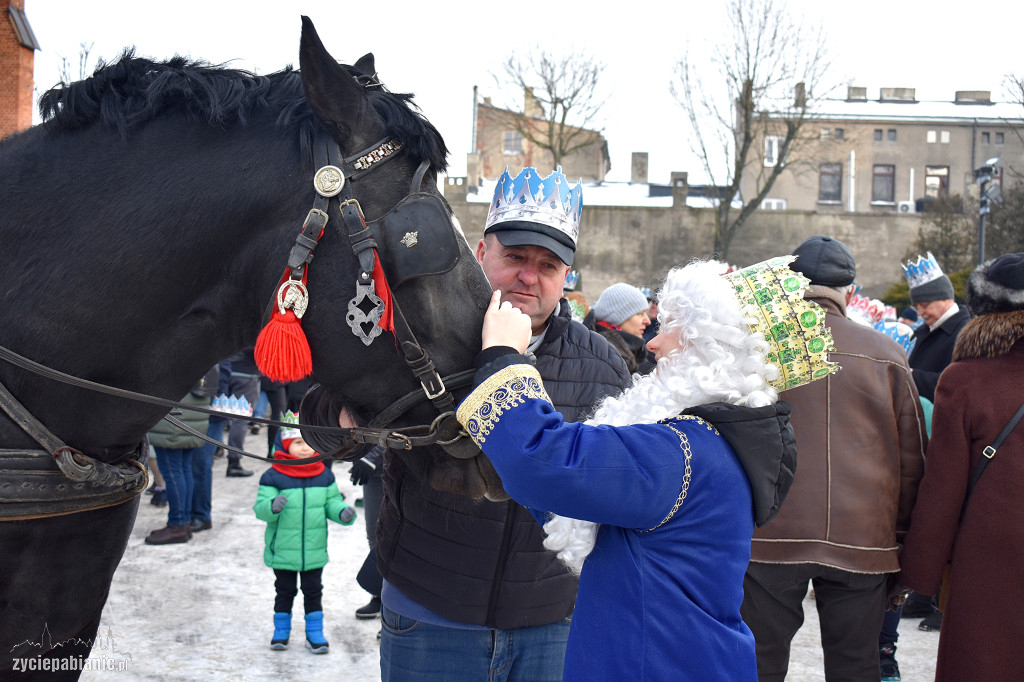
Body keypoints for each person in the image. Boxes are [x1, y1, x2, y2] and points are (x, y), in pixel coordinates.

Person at [455, 255, 836, 681]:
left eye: (671, 328)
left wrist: (504, 357)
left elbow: (547, 462)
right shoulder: (711, 444)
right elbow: (574, 492)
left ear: (708, 346)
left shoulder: (683, 451)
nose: (652, 344)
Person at [376, 166, 632, 682]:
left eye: (549, 265)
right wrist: (346, 416)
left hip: (550, 621)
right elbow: (318, 417)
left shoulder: (604, 366)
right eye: (515, 257)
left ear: (567, 278)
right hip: (430, 612)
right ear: (480, 252)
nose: (528, 277)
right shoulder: (414, 340)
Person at [739, 236, 927, 681]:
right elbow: (912, 462)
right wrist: (900, 541)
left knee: (757, 663)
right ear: (849, 291)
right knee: (856, 666)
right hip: (864, 537)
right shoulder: (888, 354)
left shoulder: (757, 346)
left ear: (790, 282)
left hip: (768, 531)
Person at [896, 253, 1024, 681]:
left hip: (990, 552)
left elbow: (943, 487)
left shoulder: (965, 378)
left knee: (984, 660)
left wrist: (919, 573)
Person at [896, 251, 972, 635]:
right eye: (916, 304)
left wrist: (910, 376)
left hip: (946, 433)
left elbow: (953, 380)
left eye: (924, 302)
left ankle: (941, 602)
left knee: (947, 516)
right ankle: (924, 594)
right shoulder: (928, 330)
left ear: (944, 297)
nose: (919, 310)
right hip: (926, 432)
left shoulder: (962, 330)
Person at [253, 412, 357, 653]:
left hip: (313, 549)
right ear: (285, 445)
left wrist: (341, 512)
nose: (304, 449)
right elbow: (261, 509)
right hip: (283, 550)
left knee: (313, 591)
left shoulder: (323, 474)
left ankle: (314, 632)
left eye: (308, 443)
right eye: (298, 443)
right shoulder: (273, 476)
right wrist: (272, 506)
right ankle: (281, 631)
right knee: (284, 591)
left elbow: (331, 502)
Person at [144, 378, 214, 545]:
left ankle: (178, 524)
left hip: (175, 414)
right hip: (192, 412)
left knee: (173, 471)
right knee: (183, 468)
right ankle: (184, 522)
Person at [903, 252, 971, 403]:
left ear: (946, 299)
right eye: (917, 307)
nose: (920, 313)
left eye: (925, 306)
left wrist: (911, 375)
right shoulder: (922, 331)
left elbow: (958, 384)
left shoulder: (966, 334)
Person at [584, 282, 655, 374]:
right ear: (616, 317)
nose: (648, 321)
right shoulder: (603, 358)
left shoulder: (631, 353)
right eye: (640, 314)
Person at [224, 349, 259, 477]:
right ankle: (234, 462)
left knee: (218, 416)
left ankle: (212, 454)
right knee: (240, 420)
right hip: (246, 372)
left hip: (225, 370)